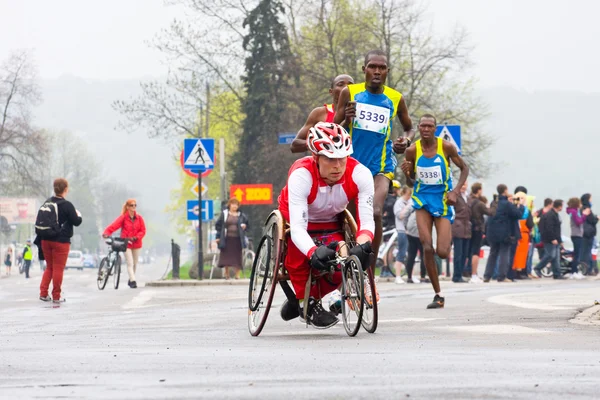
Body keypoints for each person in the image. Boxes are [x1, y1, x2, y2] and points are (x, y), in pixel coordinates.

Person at [278, 122, 375, 329]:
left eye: (342, 158)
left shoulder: (361, 174)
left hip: (331, 220)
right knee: (298, 255)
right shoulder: (301, 176)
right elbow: (297, 229)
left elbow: (366, 220)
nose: (338, 166)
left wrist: (363, 243)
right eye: (330, 159)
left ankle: (303, 296)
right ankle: (306, 303)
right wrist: (312, 252)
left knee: (341, 263)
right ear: (316, 157)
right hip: (298, 218)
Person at [333, 50, 414, 274]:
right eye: (372, 66)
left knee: (375, 211)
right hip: (351, 165)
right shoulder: (350, 92)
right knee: (349, 218)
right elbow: (334, 126)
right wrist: (346, 119)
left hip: (381, 167)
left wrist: (405, 142)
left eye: (382, 67)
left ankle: (369, 269)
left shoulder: (395, 98)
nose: (377, 71)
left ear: (387, 71)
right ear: (364, 69)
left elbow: (409, 127)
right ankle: (349, 262)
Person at [401, 114, 469, 308]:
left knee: (442, 252)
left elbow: (464, 168)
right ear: (419, 128)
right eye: (423, 126)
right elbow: (411, 181)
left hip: (443, 200)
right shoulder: (412, 150)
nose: (426, 129)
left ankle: (446, 241)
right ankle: (438, 295)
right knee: (427, 246)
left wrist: (455, 191)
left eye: (430, 126)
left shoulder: (446, 147)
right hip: (422, 200)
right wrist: (407, 173)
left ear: (435, 129)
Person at [37, 178, 82, 303]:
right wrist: (79, 215)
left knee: (49, 268)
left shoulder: (47, 202)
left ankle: (43, 293)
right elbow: (76, 222)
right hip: (61, 241)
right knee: (58, 268)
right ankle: (56, 296)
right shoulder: (67, 205)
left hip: (45, 239)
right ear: (66, 189)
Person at [290, 74, 354, 153]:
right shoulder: (319, 113)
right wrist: (318, 142)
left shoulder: (361, 112)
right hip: (325, 164)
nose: (346, 87)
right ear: (331, 91)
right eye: (340, 84)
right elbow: (294, 146)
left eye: (351, 85)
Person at [103, 199, 147, 289]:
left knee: (135, 263)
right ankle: (133, 281)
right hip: (126, 243)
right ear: (127, 207)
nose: (134, 207)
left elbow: (143, 230)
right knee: (130, 263)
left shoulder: (139, 218)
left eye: (135, 205)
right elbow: (114, 225)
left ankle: (130, 279)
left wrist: (136, 237)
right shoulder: (123, 217)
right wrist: (106, 232)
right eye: (131, 205)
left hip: (136, 243)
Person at [483, 185, 522, 283]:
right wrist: (517, 205)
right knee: (504, 253)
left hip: (492, 232)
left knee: (493, 253)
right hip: (504, 232)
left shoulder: (493, 202)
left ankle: (487, 276)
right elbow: (517, 215)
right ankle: (502, 276)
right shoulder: (507, 204)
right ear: (505, 191)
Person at [215, 198, 249, 280]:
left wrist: (245, 226)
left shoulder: (241, 215)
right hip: (226, 238)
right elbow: (218, 226)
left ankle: (237, 274)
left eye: (236, 204)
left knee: (237, 256)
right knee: (226, 256)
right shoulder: (224, 214)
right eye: (233, 204)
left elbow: (247, 225)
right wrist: (218, 237)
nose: (234, 206)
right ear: (229, 205)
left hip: (238, 239)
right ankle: (226, 273)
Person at [533, 199, 565, 279]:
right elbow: (549, 228)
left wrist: (560, 240)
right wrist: (553, 238)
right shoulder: (550, 215)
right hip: (549, 239)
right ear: (559, 206)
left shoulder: (555, 214)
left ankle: (557, 274)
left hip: (556, 238)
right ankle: (538, 268)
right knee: (550, 255)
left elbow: (557, 229)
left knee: (556, 257)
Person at [468, 183, 493, 283]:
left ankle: (468, 272)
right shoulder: (479, 203)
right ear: (478, 190)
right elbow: (490, 212)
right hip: (477, 228)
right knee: (475, 252)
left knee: (469, 251)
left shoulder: (468, 200)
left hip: (468, 228)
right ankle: (474, 274)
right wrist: (494, 204)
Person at [451, 182, 471, 283]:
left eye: (465, 185)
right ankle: (456, 275)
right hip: (458, 226)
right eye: (462, 185)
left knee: (464, 253)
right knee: (458, 253)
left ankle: (460, 274)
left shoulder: (467, 197)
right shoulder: (455, 196)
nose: (463, 187)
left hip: (466, 227)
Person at [511, 192, 534, 279]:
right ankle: (519, 272)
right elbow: (530, 224)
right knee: (522, 255)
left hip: (514, 233)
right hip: (524, 234)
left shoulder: (512, 208)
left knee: (515, 254)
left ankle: (512, 271)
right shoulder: (526, 210)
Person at [392, 186, 412, 284]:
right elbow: (399, 215)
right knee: (401, 252)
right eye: (408, 194)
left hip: (410, 230)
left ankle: (409, 275)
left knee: (409, 254)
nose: (409, 197)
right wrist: (408, 208)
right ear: (404, 193)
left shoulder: (410, 202)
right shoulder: (399, 203)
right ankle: (398, 276)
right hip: (402, 230)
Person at [566, 197, 587, 279]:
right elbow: (578, 221)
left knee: (577, 253)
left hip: (577, 234)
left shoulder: (575, 211)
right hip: (576, 234)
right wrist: (584, 215)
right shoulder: (574, 212)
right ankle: (574, 271)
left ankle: (575, 271)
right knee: (577, 254)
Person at [580, 193, 598, 276]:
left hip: (584, 233)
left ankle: (586, 269)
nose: (591, 200)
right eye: (590, 199)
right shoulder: (587, 209)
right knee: (588, 252)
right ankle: (589, 269)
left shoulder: (581, 208)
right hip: (588, 233)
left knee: (586, 251)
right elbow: (592, 220)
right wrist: (597, 218)